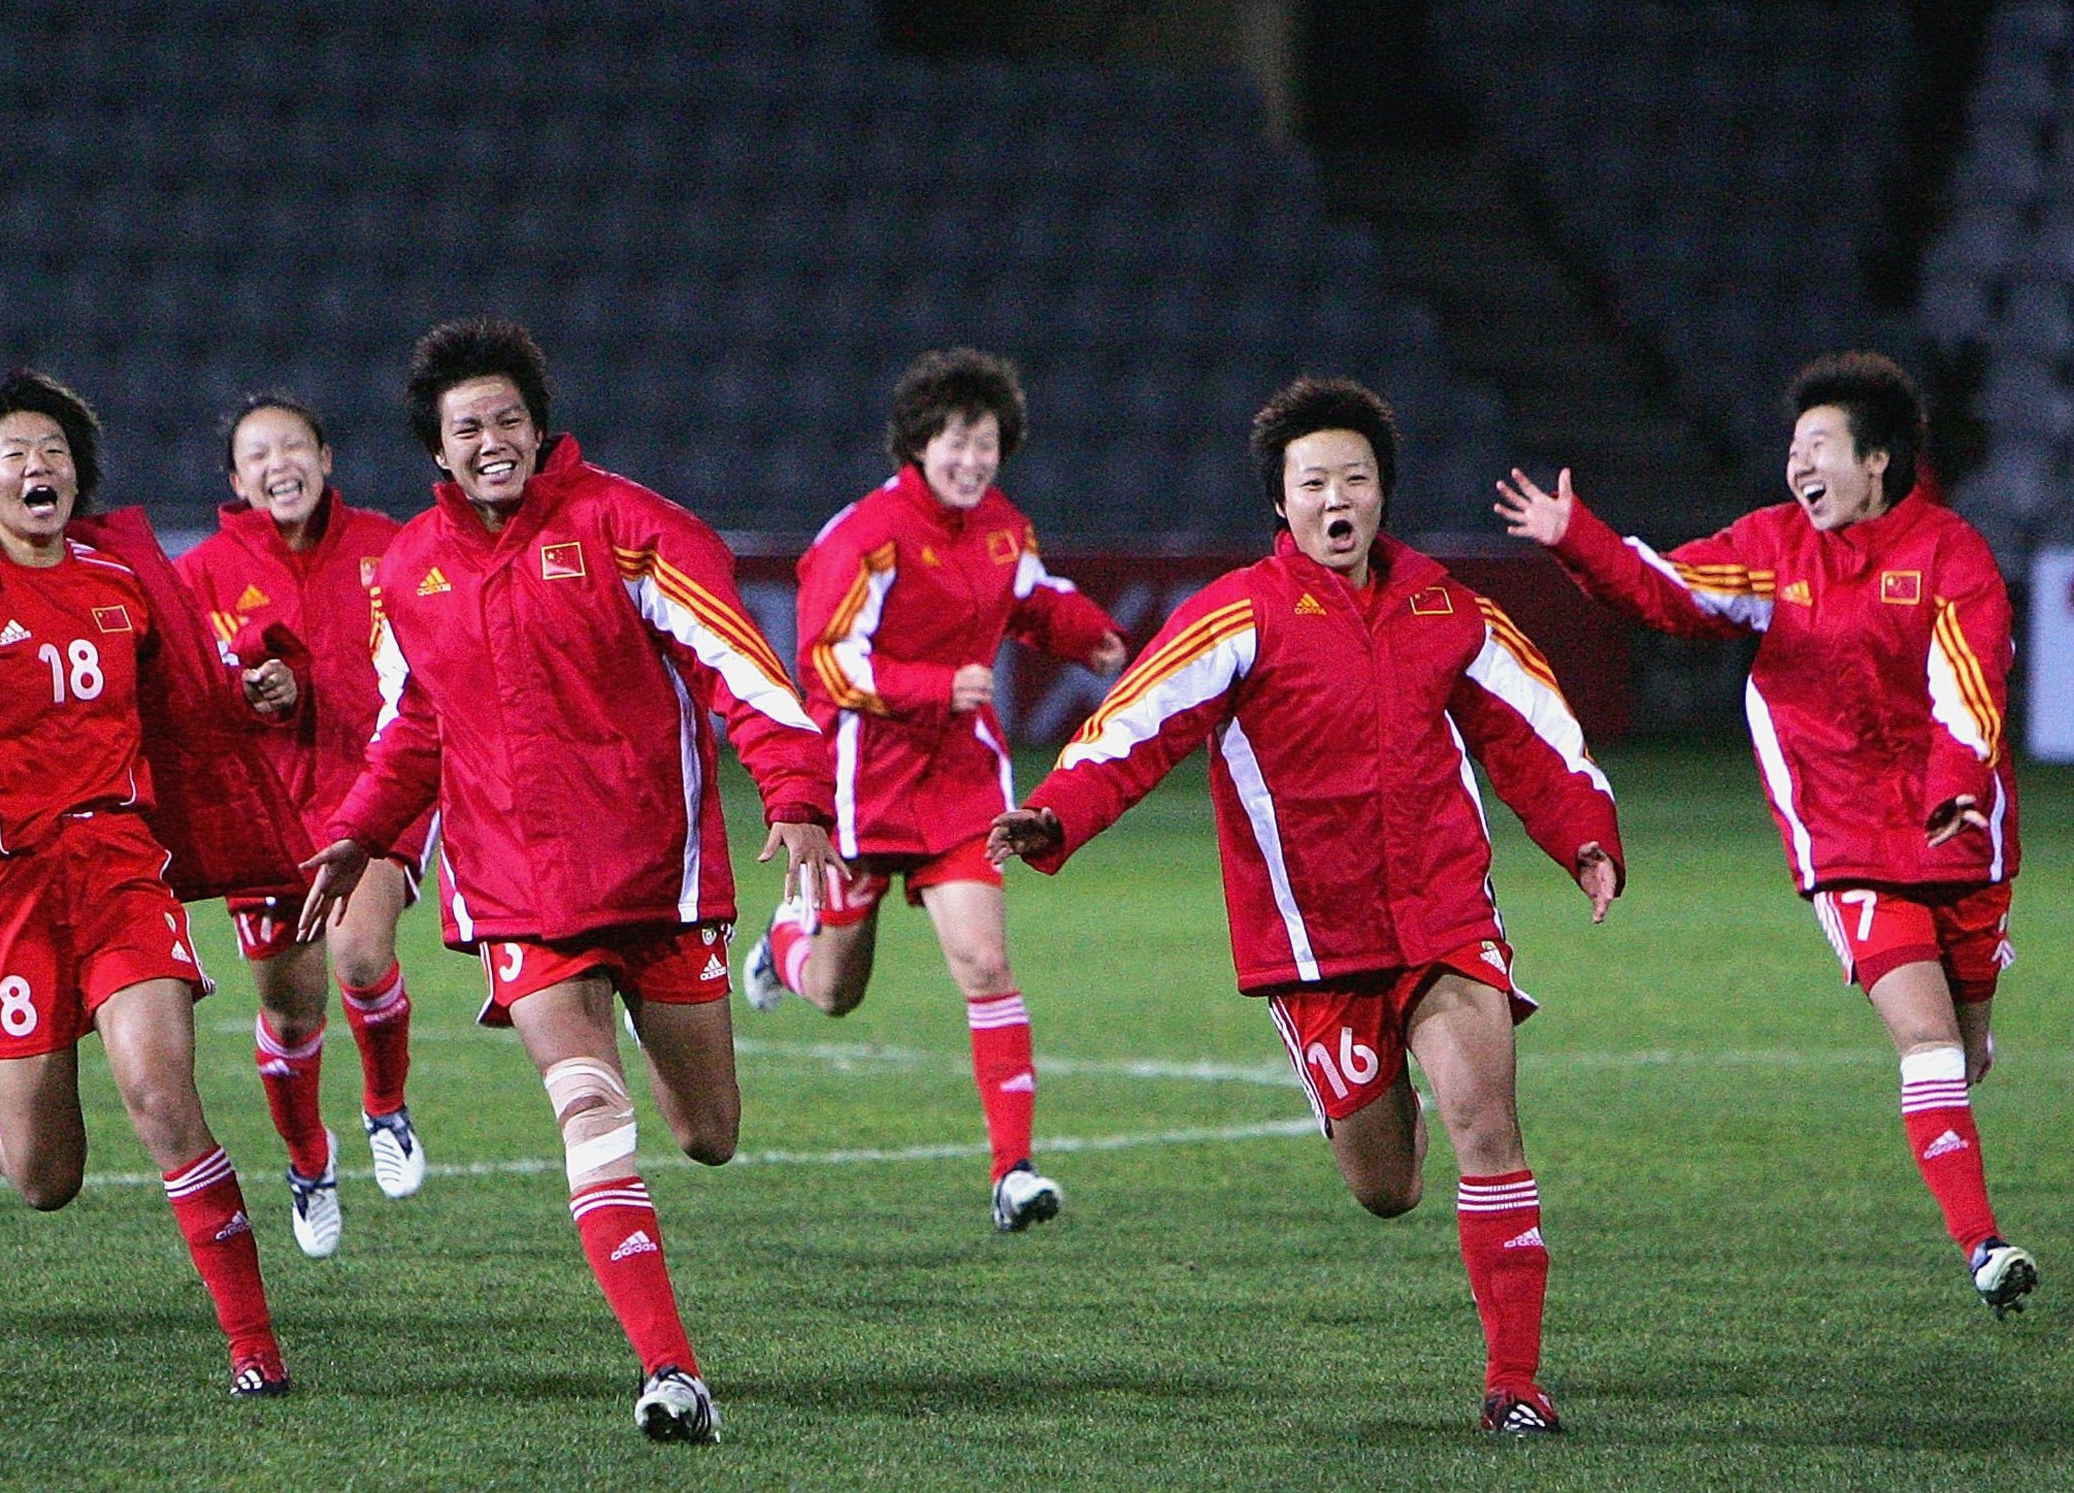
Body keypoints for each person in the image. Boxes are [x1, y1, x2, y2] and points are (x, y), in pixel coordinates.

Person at [990, 378, 1622, 1434]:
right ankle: (1382, 1096)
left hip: (1443, 914)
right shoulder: (1240, 614)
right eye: (1314, 482)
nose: (1338, 499)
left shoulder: (1447, 608)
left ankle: (1514, 1385)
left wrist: (1586, 836)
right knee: (1387, 1188)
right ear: (1280, 505)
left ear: (1384, 495)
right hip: (1315, 944)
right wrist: (1057, 813)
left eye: (1357, 479)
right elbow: (1139, 723)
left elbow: (1537, 733)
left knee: (1488, 1122)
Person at [299, 319, 843, 1443]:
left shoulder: (633, 527)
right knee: (588, 1109)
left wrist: (792, 792)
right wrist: (359, 831)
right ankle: (671, 1372)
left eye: (507, 418)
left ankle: (685, 1019)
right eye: (467, 428)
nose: (491, 439)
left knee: (707, 1135)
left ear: (539, 428)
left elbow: (739, 665)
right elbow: (414, 725)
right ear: (436, 454)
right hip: (516, 890)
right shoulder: (411, 571)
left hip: (656, 873)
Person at [1496, 350, 2037, 1318]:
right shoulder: (1775, 548)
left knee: (1961, 1037)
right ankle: (1983, 1246)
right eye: (1794, 449)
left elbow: (1972, 683)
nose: (1799, 466)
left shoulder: (1951, 555)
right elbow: (1672, 593)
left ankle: (1978, 1006)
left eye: (1818, 447)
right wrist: (1577, 538)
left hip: (1957, 833)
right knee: (1922, 1037)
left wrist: (1957, 788)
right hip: (1844, 839)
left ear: (1878, 462)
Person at [0, 372, 311, 1396]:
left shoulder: (124, 578)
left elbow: (207, 670)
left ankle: (255, 1349)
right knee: (48, 1179)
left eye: (54, 451)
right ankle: (0, 1121)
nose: (39, 467)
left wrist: (263, 676)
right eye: (15, 454)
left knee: (161, 1092)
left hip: (121, 866)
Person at [742, 348, 1128, 1231]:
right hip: (861, 781)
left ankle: (1012, 1172)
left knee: (986, 964)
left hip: (960, 782)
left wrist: (1088, 635)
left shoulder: (1001, 527)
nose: (973, 461)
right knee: (837, 992)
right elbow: (828, 660)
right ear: (918, 444)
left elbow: (1033, 597)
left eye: (987, 444)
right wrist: (929, 685)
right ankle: (784, 947)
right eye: (957, 442)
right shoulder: (863, 535)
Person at [175, 392, 429, 1259]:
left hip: (375, 789)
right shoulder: (203, 573)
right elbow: (180, 686)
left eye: (294, 446)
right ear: (237, 479)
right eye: (258, 454)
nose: (278, 463)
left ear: (327, 460)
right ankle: (307, 1159)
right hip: (263, 814)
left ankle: (385, 1108)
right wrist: (246, 693)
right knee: (292, 1013)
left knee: (362, 955)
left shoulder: (391, 548)